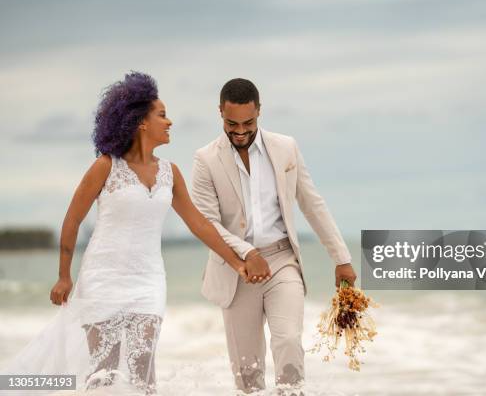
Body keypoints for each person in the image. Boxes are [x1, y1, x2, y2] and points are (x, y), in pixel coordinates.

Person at [1, 72, 247, 395]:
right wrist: (64, 275)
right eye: (162, 115)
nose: (170, 122)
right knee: (103, 374)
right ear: (140, 122)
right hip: (103, 279)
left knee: (143, 373)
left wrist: (237, 261)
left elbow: (199, 224)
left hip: (149, 282)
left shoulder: (169, 173)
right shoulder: (106, 166)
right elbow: (73, 219)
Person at [192, 78, 357, 394]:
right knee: (247, 370)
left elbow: (312, 203)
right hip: (234, 270)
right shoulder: (206, 159)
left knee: (289, 341)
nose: (240, 131)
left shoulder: (285, 148)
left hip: (282, 260)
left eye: (248, 123)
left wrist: (342, 259)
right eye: (231, 123)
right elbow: (207, 223)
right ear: (220, 113)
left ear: (259, 112)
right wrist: (247, 254)